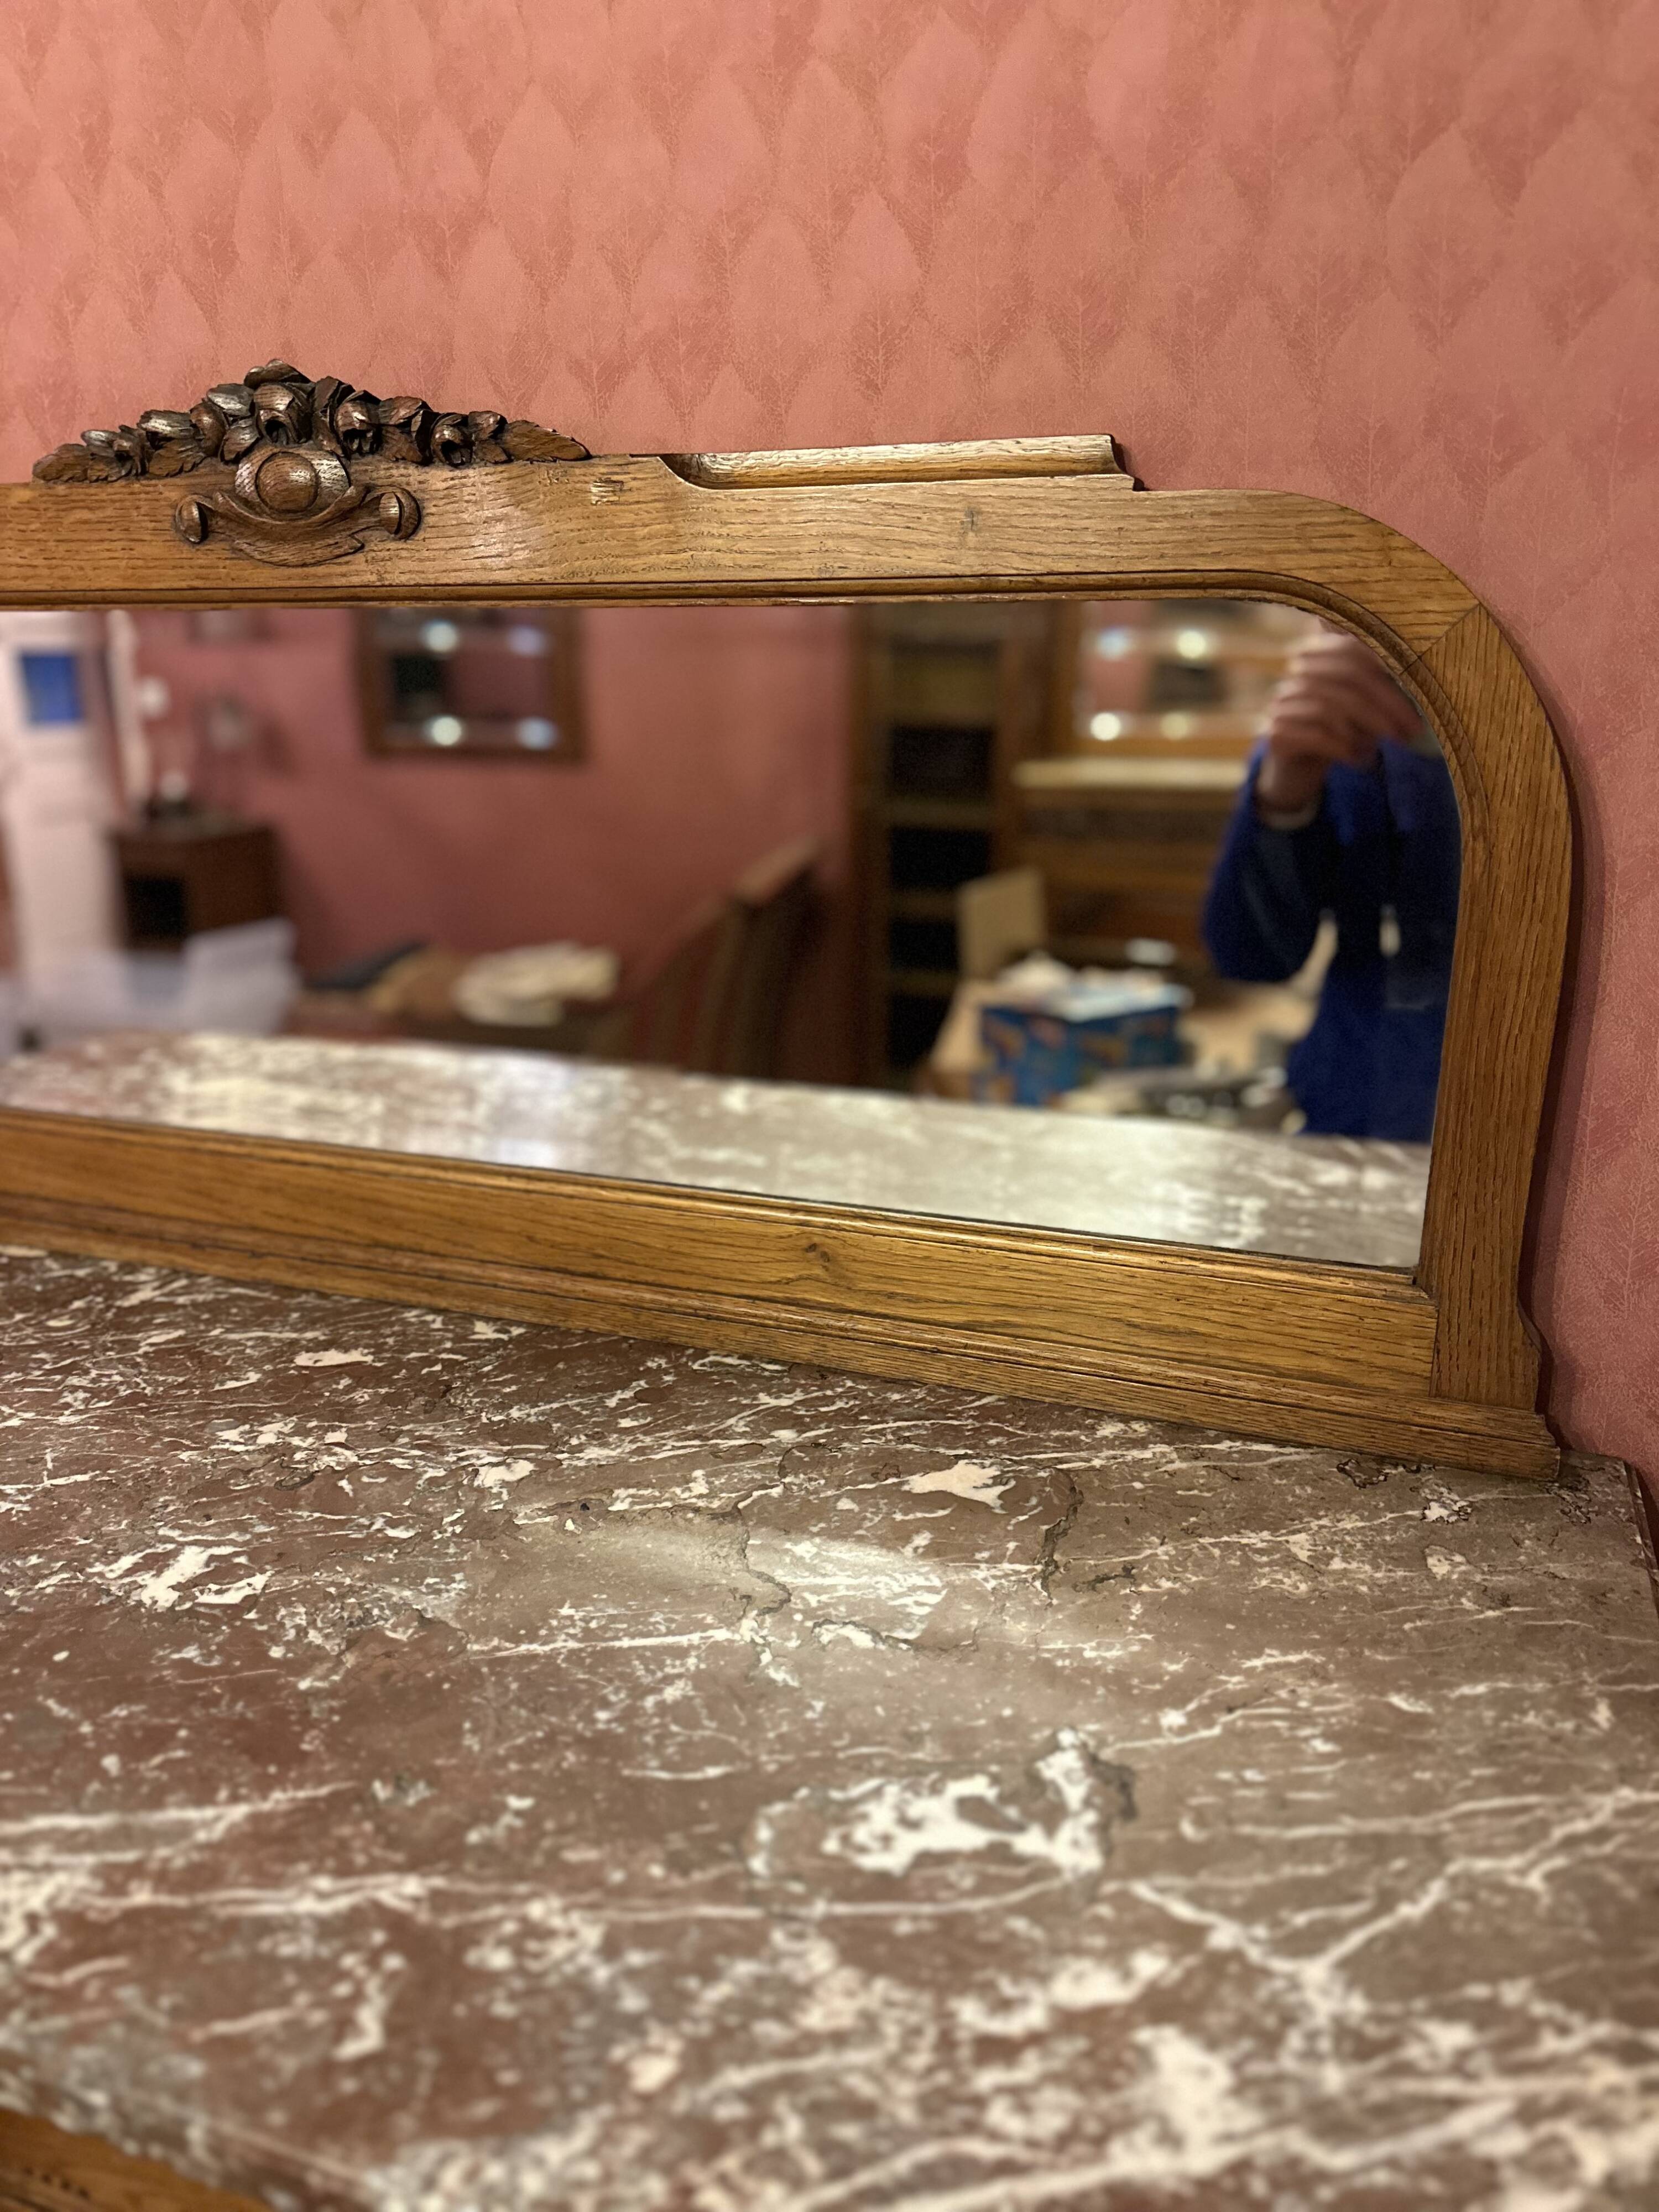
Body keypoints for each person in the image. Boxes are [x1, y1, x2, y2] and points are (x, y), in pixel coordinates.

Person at [1202, 629, 1460, 1142]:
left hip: (1503, 1129)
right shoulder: (1341, 718)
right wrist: (1283, 795)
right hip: (1348, 1105)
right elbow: (1251, 957)